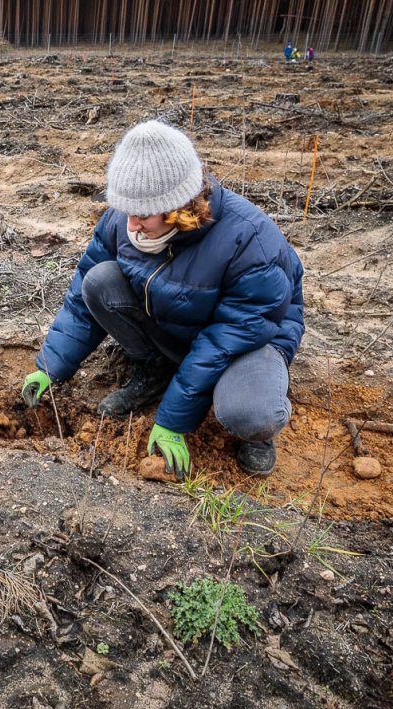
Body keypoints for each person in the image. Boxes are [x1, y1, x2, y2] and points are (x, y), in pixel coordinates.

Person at [20, 121, 304, 478]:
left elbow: (223, 342)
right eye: (126, 211)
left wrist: (172, 421)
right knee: (99, 281)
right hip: (182, 327)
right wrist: (49, 367)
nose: (131, 224)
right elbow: (80, 298)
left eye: (141, 215)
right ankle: (156, 371)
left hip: (249, 344)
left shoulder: (249, 241)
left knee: (251, 414)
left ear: (176, 206)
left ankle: (257, 426)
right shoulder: (125, 220)